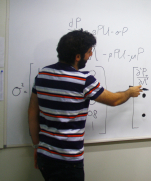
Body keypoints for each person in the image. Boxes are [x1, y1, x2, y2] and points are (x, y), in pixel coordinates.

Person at [28, 29, 142, 181]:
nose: (90, 55)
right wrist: (129, 92)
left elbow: (32, 113)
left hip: (45, 156)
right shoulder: (83, 80)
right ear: (77, 57)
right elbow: (114, 100)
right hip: (68, 161)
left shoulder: (41, 76)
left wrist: (36, 146)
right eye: (89, 52)